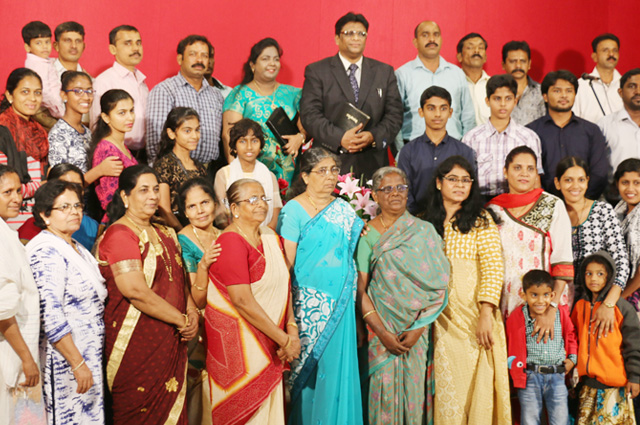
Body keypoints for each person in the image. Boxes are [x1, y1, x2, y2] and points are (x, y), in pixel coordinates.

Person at [96, 165, 198, 424]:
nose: (152, 196)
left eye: (155, 189)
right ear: (124, 196)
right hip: (136, 344)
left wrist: (192, 310)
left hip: (171, 338)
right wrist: (180, 319)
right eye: (143, 190)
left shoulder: (165, 232)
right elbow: (135, 291)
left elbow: (181, 281)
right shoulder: (120, 234)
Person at [421, 155, 512, 424]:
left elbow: (494, 268)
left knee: (475, 386)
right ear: (439, 183)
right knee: (448, 386)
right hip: (439, 319)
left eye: (466, 180)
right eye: (453, 179)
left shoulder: (480, 220)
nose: (460, 185)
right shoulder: (425, 222)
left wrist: (486, 313)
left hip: (474, 318)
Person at [277, 147, 364, 424]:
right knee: (310, 374)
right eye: (322, 171)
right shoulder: (293, 210)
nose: (330, 177)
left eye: (334, 170)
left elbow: (351, 259)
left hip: (340, 305)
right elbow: (286, 266)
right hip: (308, 307)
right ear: (304, 176)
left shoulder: (343, 209)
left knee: (337, 371)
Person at [356, 166, 449, 424]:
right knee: (382, 395)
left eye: (401, 187)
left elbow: (440, 285)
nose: (395, 193)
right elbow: (360, 290)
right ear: (375, 195)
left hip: (416, 333)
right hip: (379, 329)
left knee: (414, 394)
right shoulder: (365, 235)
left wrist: (419, 328)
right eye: (387, 188)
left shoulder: (424, 231)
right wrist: (382, 332)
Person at [205, 178, 298, 424]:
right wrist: (284, 340)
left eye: (263, 198)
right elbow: (242, 300)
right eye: (252, 199)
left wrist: (292, 328)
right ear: (234, 209)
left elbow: (284, 286)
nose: (261, 204)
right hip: (242, 349)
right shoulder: (230, 242)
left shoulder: (270, 236)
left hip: (272, 342)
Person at [27, 179, 106, 424]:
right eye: (64, 207)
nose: (74, 211)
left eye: (78, 205)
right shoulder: (45, 250)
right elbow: (50, 314)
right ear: (44, 214)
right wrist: (77, 362)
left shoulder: (74, 245)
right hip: (66, 358)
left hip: (88, 350)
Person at [301, 12, 402, 180]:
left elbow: (395, 115)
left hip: (372, 162)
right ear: (337, 38)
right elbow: (310, 115)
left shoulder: (384, 72)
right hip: (329, 162)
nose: (356, 38)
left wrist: (373, 137)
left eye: (361, 34)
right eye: (349, 33)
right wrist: (340, 137)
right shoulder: (318, 71)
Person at [486, 146, 573, 319]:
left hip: (543, 304)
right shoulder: (493, 210)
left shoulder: (552, 205)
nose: (524, 174)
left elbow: (563, 261)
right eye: (517, 168)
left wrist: (551, 309)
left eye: (530, 169)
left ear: (536, 174)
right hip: (503, 300)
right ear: (505, 171)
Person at [222, 38, 306, 184]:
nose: (272, 63)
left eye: (276, 59)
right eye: (265, 59)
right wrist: (235, 175)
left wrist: (300, 137)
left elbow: (307, 125)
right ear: (253, 65)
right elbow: (228, 135)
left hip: (290, 174)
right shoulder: (239, 94)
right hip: (252, 171)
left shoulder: (294, 94)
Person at [554, 156, 629, 315]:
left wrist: (609, 303)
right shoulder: (554, 214)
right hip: (561, 300)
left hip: (599, 298)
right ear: (557, 183)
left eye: (581, 180)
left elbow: (621, 259)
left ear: (587, 181)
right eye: (568, 180)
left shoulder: (602, 211)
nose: (575, 186)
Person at [572, 251, 640, 424]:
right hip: (587, 386)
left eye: (600, 274)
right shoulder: (580, 306)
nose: (593, 278)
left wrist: (635, 377)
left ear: (609, 277)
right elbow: (573, 339)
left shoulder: (622, 308)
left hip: (614, 388)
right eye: (589, 273)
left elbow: (634, 345)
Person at [0, 165, 45, 424]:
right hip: (11, 352)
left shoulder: (7, 233)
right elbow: (3, 310)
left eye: (18, 191)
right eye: (7, 192)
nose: (17, 198)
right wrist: (27, 359)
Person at [176, 178, 221, 425]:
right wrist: (203, 265)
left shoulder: (223, 234)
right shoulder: (183, 240)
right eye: (192, 207)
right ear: (184, 212)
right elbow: (196, 297)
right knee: (199, 394)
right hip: (202, 325)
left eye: (204, 202)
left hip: (227, 321)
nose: (200, 210)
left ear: (215, 203)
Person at [506, 270, 577, 425]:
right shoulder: (517, 316)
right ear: (524, 295)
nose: (540, 300)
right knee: (530, 420)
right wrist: (515, 374)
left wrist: (572, 359)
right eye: (534, 295)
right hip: (530, 376)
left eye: (545, 295)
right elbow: (511, 347)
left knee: (560, 419)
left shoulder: (560, 314)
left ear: (552, 296)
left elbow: (571, 335)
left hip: (557, 376)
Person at [528, 70, 609, 199]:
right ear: (545, 96)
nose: (564, 95)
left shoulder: (591, 131)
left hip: (585, 205)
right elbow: (529, 173)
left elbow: (599, 173)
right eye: (557, 91)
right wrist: (547, 203)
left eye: (569, 91)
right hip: (544, 205)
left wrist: (580, 200)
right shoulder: (531, 132)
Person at [147, 35, 224, 166]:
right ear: (179, 59)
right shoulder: (165, 90)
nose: (199, 60)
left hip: (208, 172)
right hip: (173, 170)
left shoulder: (216, 95)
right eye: (193, 54)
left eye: (204, 56)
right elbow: (156, 141)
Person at [462, 74, 543, 199]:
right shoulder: (472, 138)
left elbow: (536, 178)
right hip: (481, 202)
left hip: (518, 201)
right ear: (487, 101)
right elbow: (464, 178)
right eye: (497, 99)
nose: (503, 104)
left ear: (515, 101)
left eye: (508, 99)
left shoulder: (528, 138)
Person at [397, 86, 476, 214]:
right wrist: (416, 220)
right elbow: (404, 190)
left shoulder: (464, 151)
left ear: (450, 113)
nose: (438, 114)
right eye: (431, 108)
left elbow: (469, 189)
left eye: (443, 108)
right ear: (421, 112)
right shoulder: (408, 151)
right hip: (417, 221)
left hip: (455, 220)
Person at [396, 20, 475, 143]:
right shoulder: (403, 74)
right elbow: (395, 118)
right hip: (414, 149)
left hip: (453, 148)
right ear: (415, 42)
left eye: (436, 34)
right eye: (425, 35)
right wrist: (401, 153)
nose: (432, 39)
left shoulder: (457, 73)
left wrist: (465, 150)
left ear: (441, 39)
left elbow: (468, 116)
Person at [49, 71, 124, 187]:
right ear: (64, 95)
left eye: (89, 91)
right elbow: (61, 184)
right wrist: (100, 170)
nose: (86, 97)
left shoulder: (87, 132)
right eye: (78, 91)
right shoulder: (58, 134)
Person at [214, 118, 282, 229]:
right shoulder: (223, 174)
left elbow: (276, 211)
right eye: (242, 141)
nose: (249, 147)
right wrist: (237, 234)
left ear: (260, 146)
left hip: (265, 234)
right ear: (234, 147)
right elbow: (220, 214)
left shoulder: (270, 176)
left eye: (254, 141)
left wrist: (264, 234)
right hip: (233, 234)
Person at [91, 25, 148, 154]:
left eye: (138, 43)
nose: (135, 48)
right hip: (115, 152)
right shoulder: (104, 81)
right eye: (128, 43)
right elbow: (98, 126)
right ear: (113, 49)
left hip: (143, 154)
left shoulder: (142, 81)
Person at [0, 68, 46, 229]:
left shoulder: (39, 131)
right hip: (10, 222)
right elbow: (4, 187)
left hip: (35, 219)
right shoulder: (2, 130)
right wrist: (42, 186)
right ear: (10, 95)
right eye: (25, 92)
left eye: (38, 93)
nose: (32, 98)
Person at [18, 164, 100, 250]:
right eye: (64, 186)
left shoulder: (92, 226)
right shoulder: (32, 226)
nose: (72, 191)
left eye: (78, 186)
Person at [153, 107, 207, 229]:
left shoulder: (199, 167)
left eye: (197, 130)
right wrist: (184, 235)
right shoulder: (165, 165)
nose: (195, 136)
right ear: (172, 134)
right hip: (177, 230)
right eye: (187, 131)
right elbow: (164, 210)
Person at [88, 89, 138, 220]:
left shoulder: (122, 145)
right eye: (122, 113)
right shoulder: (107, 149)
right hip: (119, 219)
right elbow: (110, 198)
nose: (130, 117)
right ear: (106, 118)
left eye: (131, 111)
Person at [22, 20, 64, 126]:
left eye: (47, 42)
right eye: (38, 43)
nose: (44, 46)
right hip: (45, 110)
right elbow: (44, 91)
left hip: (52, 107)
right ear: (28, 47)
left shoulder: (44, 61)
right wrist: (60, 111)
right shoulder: (36, 65)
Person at [573, 33, 623, 123]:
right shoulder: (580, 86)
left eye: (615, 50)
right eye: (605, 50)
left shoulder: (627, 85)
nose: (611, 54)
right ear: (594, 56)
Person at [599, 68, 640, 173]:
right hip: (615, 188)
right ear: (620, 92)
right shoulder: (604, 125)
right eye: (632, 86)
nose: (638, 91)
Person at [614, 159, 640, 310]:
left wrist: (620, 297)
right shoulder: (618, 210)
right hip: (620, 288)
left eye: (637, 183)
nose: (630, 188)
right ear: (617, 184)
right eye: (625, 182)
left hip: (632, 293)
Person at [501, 40, 545, 125]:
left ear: (529, 64)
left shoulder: (541, 92)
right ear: (503, 64)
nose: (518, 66)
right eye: (513, 61)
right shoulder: (496, 92)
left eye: (523, 61)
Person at [457, 32, 491, 125]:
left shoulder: (494, 86)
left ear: (485, 58)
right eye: (470, 47)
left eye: (481, 48)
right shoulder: (453, 84)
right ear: (460, 57)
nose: (476, 51)